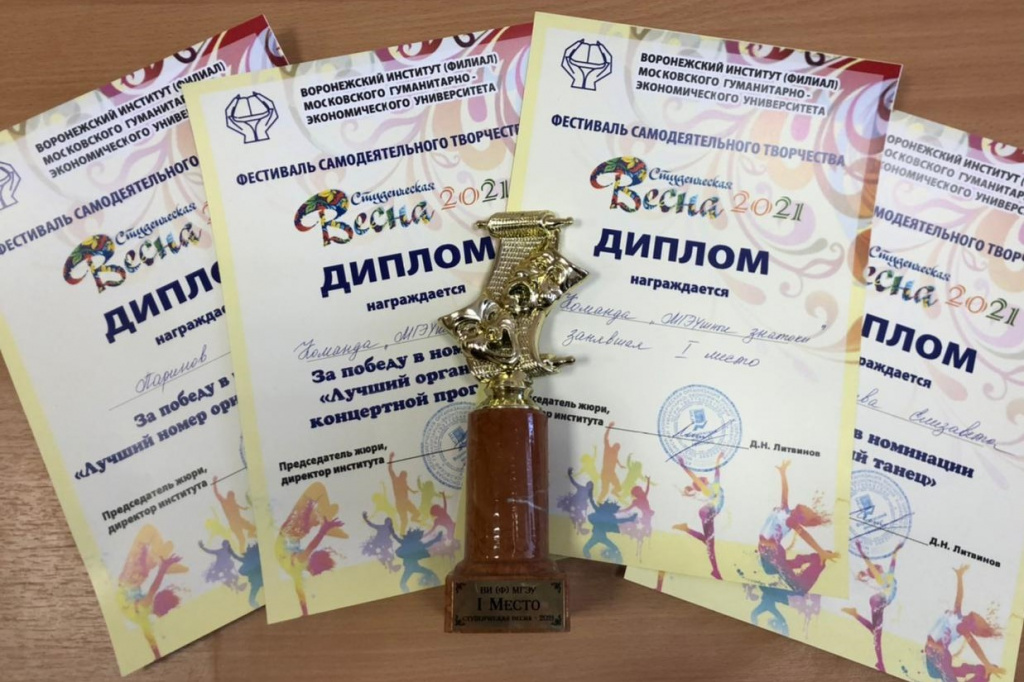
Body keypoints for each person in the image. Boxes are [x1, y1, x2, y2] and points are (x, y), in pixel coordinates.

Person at [757, 460, 838, 594]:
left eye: (808, 510)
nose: (806, 506)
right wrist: (783, 473)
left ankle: (817, 560)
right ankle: (802, 560)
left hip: (773, 553)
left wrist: (821, 551)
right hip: (765, 549)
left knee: (800, 589)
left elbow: (805, 535)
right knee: (769, 571)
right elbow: (785, 491)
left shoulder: (791, 520)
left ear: (802, 517)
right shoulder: (784, 508)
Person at [274, 482, 347, 616]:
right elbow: (300, 593)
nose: (318, 575)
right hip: (295, 532)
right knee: (318, 492)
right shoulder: (298, 569)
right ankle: (322, 519)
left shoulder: (299, 564)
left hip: (293, 530)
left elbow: (311, 547)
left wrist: (323, 531)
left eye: (320, 572)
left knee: (317, 488)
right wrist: (305, 613)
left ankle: (323, 519)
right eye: (320, 572)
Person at [925, 565, 1005, 681]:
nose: (980, 616)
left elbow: (974, 645)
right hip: (935, 654)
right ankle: (978, 670)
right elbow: (959, 596)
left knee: (942, 669)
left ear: (974, 625)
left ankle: (981, 671)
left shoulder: (962, 626)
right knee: (939, 669)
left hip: (937, 654)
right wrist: (959, 576)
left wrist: (987, 663)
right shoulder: (958, 614)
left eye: (981, 620)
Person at [117, 525, 187, 658]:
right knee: (147, 548)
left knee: (148, 532)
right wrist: (158, 656)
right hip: (131, 583)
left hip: (129, 580)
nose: (167, 613)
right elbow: (151, 640)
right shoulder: (145, 619)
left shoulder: (146, 607)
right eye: (168, 611)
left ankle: (159, 561)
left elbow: (153, 589)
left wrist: (163, 569)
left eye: (167, 610)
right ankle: (158, 560)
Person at [841, 539, 903, 672]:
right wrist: (860, 549)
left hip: (879, 603)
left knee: (875, 632)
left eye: (877, 566)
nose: (878, 566)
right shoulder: (881, 578)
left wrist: (896, 551)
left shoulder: (887, 576)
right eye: (876, 567)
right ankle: (881, 663)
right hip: (878, 602)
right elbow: (869, 562)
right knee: (876, 634)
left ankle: (855, 614)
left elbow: (893, 562)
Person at [674, 452, 726, 580]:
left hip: (707, 513)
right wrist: (683, 466)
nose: (704, 478)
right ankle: (715, 570)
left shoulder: (713, 486)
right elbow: (696, 476)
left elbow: (717, 471)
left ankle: (686, 529)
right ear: (703, 482)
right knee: (709, 544)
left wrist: (718, 459)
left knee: (708, 542)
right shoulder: (708, 488)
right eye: (702, 479)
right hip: (708, 512)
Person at [213, 475, 257, 553]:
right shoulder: (225, 502)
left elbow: (239, 507)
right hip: (234, 524)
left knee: (253, 528)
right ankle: (242, 552)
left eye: (233, 496)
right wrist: (214, 482)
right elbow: (217, 493)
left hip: (240, 520)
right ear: (228, 496)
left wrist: (245, 508)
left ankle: (250, 535)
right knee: (242, 539)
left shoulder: (234, 502)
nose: (232, 498)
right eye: (231, 496)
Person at [388, 452, 421, 534]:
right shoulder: (395, 479)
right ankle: (402, 534)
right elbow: (390, 470)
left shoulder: (404, 482)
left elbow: (407, 487)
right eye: (403, 477)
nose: (405, 479)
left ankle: (413, 518)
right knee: (404, 521)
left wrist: (412, 491)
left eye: (405, 478)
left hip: (406, 502)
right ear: (401, 476)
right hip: (400, 504)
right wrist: (390, 458)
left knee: (417, 513)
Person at [598, 421, 624, 502]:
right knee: (605, 490)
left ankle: (614, 492)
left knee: (619, 488)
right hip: (605, 473)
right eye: (616, 447)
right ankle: (599, 501)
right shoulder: (608, 449)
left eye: (618, 448)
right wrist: (609, 427)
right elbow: (605, 438)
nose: (617, 449)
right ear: (613, 446)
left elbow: (616, 459)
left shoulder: (615, 454)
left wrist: (620, 465)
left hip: (612, 473)